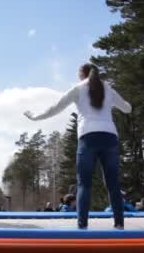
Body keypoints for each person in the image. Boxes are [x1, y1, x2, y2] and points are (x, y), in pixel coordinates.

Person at [24, 63, 131, 230]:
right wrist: (115, 103)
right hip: (110, 136)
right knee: (112, 184)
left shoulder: (78, 88)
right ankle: (119, 224)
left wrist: (34, 117)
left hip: (88, 136)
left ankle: (82, 226)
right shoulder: (108, 88)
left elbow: (55, 108)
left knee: (84, 184)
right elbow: (127, 108)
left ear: (82, 74)